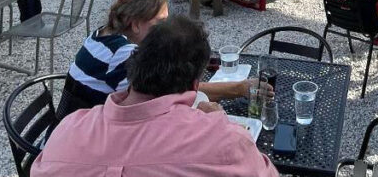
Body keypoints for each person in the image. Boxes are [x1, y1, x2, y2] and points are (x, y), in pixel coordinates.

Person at [33, 15, 279, 177]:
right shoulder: (221, 140)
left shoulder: (66, 131)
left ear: (134, 66)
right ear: (195, 86)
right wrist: (219, 122)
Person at [56, 0, 264, 121]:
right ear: (136, 24)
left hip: (73, 127)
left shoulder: (100, 35)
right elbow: (171, 95)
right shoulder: (123, 54)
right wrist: (239, 88)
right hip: (86, 143)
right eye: (161, 22)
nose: (166, 29)